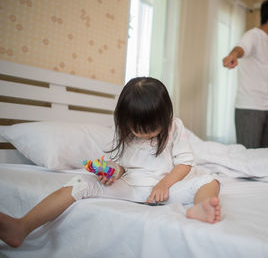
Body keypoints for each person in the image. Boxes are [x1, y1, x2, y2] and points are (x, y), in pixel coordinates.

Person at [0, 77, 221, 248]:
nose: (144, 135)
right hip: (131, 186)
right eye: (138, 130)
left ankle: (200, 208)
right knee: (81, 181)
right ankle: (22, 226)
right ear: (125, 120)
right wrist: (113, 172)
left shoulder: (175, 127)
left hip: (165, 189)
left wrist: (164, 185)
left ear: (165, 116)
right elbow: (120, 163)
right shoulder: (122, 131)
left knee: (210, 180)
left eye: (152, 129)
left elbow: (184, 164)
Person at [222, 0, 268, 148]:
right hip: (249, 109)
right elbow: (241, 48)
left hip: (266, 108)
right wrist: (233, 55)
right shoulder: (253, 35)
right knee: (249, 160)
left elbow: (263, 80)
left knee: (262, 159)